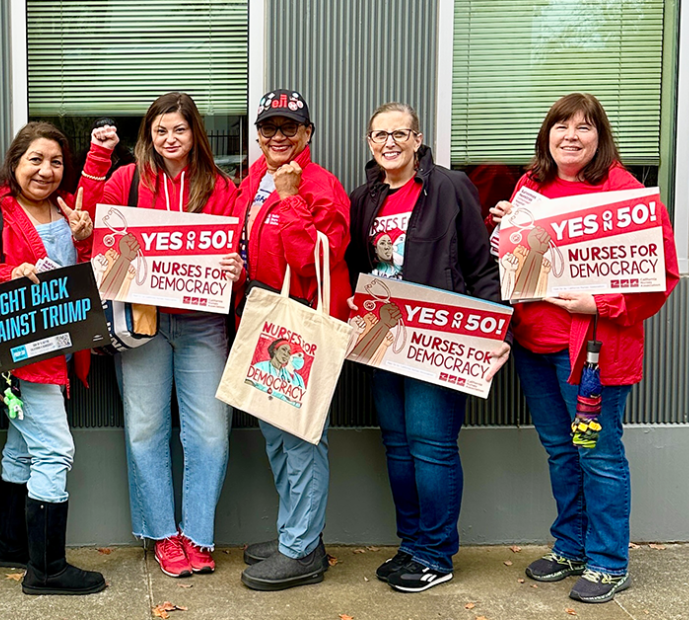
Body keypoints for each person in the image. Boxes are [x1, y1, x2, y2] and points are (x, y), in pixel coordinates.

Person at [489, 93, 679, 604]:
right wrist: (505, 235)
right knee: (560, 451)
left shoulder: (627, 194)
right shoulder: (531, 186)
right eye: (561, 126)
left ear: (601, 136)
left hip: (594, 354)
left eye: (584, 126)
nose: (571, 135)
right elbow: (522, 265)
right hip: (536, 346)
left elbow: (660, 275)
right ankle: (571, 546)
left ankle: (609, 561)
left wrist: (601, 302)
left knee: (598, 453)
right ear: (547, 134)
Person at [345, 102, 509, 593]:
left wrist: (497, 332)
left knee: (432, 448)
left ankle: (436, 554)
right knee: (398, 448)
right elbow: (360, 270)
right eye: (379, 135)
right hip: (382, 342)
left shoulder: (450, 187)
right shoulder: (364, 198)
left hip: (438, 340)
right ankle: (413, 544)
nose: (389, 142)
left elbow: (481, 266)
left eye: (400, 133)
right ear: (369, 143)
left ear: (418, 139)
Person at [0, 121, 116, 595]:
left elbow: (91, 277)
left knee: (22, 447)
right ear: (15, 163)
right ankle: (47, 569)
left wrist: (86, 239)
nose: (46, 170)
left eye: (55, 162)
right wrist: (15, 271)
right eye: (35, 160)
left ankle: (12, 544)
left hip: (62, 349)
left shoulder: (69, 209)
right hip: (21, 355)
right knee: (55, 451)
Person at [98, 92, 242, 579]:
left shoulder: (222, 185)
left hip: (203, 322)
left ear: (194, 132)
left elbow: (237, 255)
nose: (169, 139)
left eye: (178, 129)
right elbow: (99, 239)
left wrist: (235, 267)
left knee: (209, 434)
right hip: (143, 321)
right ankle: (163, 534)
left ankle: (198, 534)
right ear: (149, 135)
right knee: (145, 431)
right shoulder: (126, 179)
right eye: (160, 130)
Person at [235, 89, 350, 591]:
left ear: (307, 134)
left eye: (289, 128)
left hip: (302, 320)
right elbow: (246, 245)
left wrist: (289, 199)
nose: (278, 136)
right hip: (262, 317)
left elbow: (315, 260)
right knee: (278, 438)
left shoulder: (321, 185)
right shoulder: (251, 182)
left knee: (301, 439)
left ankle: (301, 551)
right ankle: (297, 535)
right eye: (269, 128)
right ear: (257, 134)